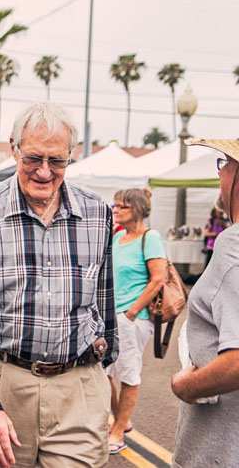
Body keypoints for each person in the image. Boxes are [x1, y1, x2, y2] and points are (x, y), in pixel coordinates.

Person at [0, 102, 116, 468]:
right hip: (4, 383)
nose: (43, 172)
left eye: (56, 161)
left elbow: (104, 299)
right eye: (33, 158)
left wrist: (101, 377)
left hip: (78, 389)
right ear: (14, 149)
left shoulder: (98, 213)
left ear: (73, 156)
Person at [171, 138, 239, 467]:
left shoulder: (234, 245)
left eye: (224, 164)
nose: (220, 175)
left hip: (222, 447)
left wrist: (188, 386)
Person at [107, 188, 166, 454]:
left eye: (123, 207)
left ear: (138, 209)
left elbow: (158, 279)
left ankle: (118, 430)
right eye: (115, 206)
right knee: (102, 372)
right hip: (111, 316)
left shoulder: (150, 238)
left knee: (128, 374)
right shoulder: (118, 236)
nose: (116, 210)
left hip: (133, 318)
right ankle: (122, 419)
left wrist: (131, 312)